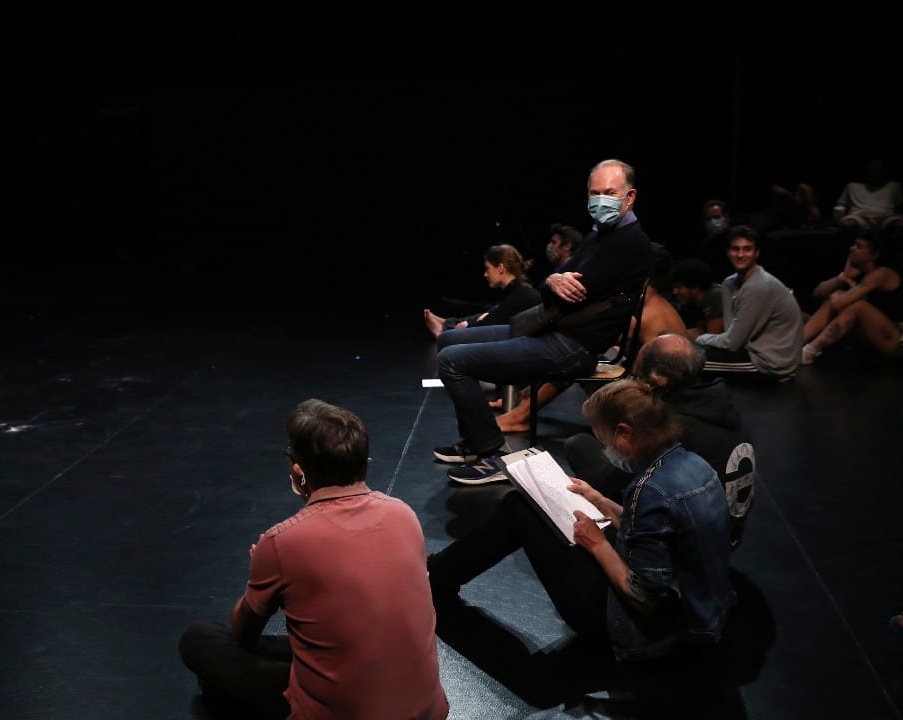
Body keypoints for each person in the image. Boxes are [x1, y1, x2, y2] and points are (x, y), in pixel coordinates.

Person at [428, 379, 735, 713]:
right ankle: (438, 572)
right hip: (699, 614)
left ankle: (434, 578)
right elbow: (657, 531)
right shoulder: (694, 465)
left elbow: (644, 598)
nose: (603, 447)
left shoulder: (651, 489)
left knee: (519, 510)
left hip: (648, 633)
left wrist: (597, 543)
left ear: (624, 432)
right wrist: (599, 500)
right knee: (529, 510)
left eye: (602, 437)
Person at [179, 399, 449, 720]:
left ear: (298, 472)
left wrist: (260, 570)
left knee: (199, 638)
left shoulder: (283, 541)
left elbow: (243, 632)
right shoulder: (404, 515)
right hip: (427, 711)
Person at [432, 159, 652, 484]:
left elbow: (570, 294)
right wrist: (552, 281)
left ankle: (492, 454)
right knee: (447, 340)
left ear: (629, 197)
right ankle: (475, 441)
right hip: (550, 331)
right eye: (594, 193)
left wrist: (553, 283)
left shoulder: (629, 242)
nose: (600, 200)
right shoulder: (599, 235)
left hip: (573, 347)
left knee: (451, 361)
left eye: (609, 193)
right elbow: (551, 283)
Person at [564, 333, 756, 550]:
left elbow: (620, 479)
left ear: (658, 380)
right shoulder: (717, 404)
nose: (635, 384)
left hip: (685, 548)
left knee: (579, 445)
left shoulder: (670, 428)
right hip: (726, 537)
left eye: (638, 377)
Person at [491, 243, 685, 436]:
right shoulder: (650, 303)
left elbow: (593, 341)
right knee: (574, 354)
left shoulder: (648, 312)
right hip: (648, 383)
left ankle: (520, 417)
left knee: (572, 359)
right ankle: (522, 406)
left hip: (652, 395)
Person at [694, 225, 802, 380]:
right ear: (728, 252)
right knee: (690, 354)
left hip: (770, 362)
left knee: (689, 362)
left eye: (747, 249)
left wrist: (701, 338)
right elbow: (730, 333)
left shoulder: (758, 286)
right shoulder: (729, 284)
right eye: (735, 249)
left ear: (756, 253)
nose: (740, 255)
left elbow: (732, 342)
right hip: (747, 349)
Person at [801, 235, 903, 364]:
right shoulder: (858, 272)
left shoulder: (882, 273)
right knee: (837, 297)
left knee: (857, 306)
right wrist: (844, 277)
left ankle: (810, 351)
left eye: (859, 247)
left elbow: (837, 303)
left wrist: (839, 292)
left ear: (874, 255)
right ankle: (796, 342)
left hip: (896, 340)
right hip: (872, 336)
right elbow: (818, 292)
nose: (852, 248)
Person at [424, 244, 542, 340]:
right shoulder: (516, 291)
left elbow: (491, 321)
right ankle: (446, 324)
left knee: (476, 322)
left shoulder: (520, 294)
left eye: (488, 268)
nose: (485, 274)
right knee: (484, 314)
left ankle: (444, 331)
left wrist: (467, 325)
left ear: (500, 268)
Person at [831, 156, 903, 243]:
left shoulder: (894, 187)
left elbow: (900, 207)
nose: (875, 172)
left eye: (878, 168)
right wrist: (839, 217)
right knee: (848, 224)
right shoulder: (852, 186)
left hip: (887, 217)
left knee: (899, 225)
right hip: (859, 217)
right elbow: (840, 206)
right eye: (872, 168)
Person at [670, 257, 725, 340]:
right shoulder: (698, 301)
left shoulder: (714, 296)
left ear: (695, 287)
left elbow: (712, 338)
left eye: (679, 287)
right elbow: (701, 332)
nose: (674, 292)